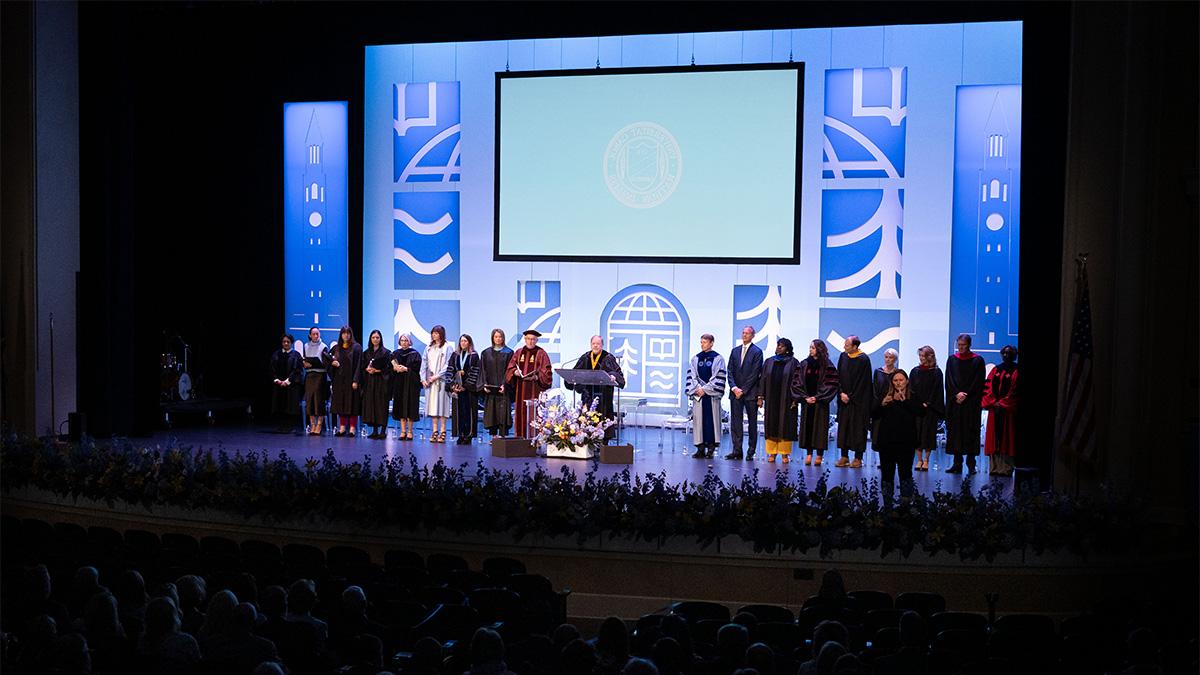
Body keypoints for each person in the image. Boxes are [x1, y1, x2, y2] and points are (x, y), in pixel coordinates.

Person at [873, 370, 927, 504]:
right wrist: (882, 404)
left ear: (907, 381)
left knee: (905, 473)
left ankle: (906, 503)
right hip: (887, 442)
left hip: (906, 442)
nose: (898, 383)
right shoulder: (886, 396)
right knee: (887, 474)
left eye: (901, 380)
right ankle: (887, 503)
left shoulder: (913, 396)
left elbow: (921, 412)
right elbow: (874, 414)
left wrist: (906, 402)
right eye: (895, 380)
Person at [565, 335, 626, 441]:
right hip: (587, 395)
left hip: (604, 397)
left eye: (598, 344)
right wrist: (571, 379)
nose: (595, 346)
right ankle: (587, 442)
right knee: (586, 418)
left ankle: (603, 443)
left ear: (602, 345)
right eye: (593, 343)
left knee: (603, 420)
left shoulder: (608, 357)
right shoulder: (585, 357)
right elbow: (576, 371)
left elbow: (618, 374)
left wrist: (613, 376)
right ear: (591, 344)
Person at [793, 340, 839, 466]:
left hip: (820, 403)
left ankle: (819, 455)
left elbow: (831, 384)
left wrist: (817, 397)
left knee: (819, 429)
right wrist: (805, 397)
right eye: (810, 347)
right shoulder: (804, 364)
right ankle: (809, 454)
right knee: (807, 428)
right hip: (807, 402)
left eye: (813, 347)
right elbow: (797, 382)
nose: (810, 349)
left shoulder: (827, 365)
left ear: (819, 349)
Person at [945, 333, 986, 473]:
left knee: (970, 432)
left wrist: (966, 394)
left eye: (963, 345)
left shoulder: (978, 361)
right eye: (959, 345)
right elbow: (949, 380)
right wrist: (957, 394)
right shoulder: (952, 360)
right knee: (956, 432)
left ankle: (971, 464)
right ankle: (957, 463)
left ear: (969, 345)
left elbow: (979, 382)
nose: (961, 348)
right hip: (956, 402)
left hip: (971, 404)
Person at [757, 338, 800, 464]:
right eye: (778, 345)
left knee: (785, 426)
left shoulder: (794, 363)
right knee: (771, 424)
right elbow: (763, 379)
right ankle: (772, 452)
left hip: (787, 400)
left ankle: (784, 454)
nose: (778, 348)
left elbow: (797, 382)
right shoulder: (769, 361)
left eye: (782, 346)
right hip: (771, 399)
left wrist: (795, 398)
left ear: (787, 348)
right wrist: (760, 397)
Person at [506, 329, 552, 438]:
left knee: (534, 414)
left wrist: (537, 376)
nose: (530, 341)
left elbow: (547, 371)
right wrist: (514, 372)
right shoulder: (518, 352)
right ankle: (520, 438)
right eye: (528, 339)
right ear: (525, 339)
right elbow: (510, 367)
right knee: (521, 413)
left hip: (535, 389)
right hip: (521, 388)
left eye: (533, 339)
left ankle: (536, 439)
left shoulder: (541, 353)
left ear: (536, 340)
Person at [686, 334, 726, 459]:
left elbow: (718, 377)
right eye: (701, 342)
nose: (702, 344)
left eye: (704, 342)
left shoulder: (718, 358)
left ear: (711, 343)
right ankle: (700, 448)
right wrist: (697, 389)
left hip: (711, 396)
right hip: (699, 396)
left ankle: (711, 448)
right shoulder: (695, 359)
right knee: (698, 422)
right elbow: (692, 376)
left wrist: (705, 389)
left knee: (711, 422)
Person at [726, 326, 764, 460]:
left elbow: (755, 373)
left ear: (753, 335)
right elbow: (729, 371)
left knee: (752, 423)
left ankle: (750, 451)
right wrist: (734, 388)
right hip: (735, 392)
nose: (744, 335)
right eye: (743, 332)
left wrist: (743, 390)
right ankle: (737, 450)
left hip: (750, 393)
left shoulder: (757, 352)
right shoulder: (735, 351)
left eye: (747, 333)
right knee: (736, 423)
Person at [982, 345, 1020, 477]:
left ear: (1014, 355)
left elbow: (1015, 391)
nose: (1006, 356)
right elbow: (988, 388)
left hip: (1007, 412)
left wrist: (1003, 403)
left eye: (1009, 353)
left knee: (1006, 439)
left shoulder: (1017, 371)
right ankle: (994, 467)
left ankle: (1006, 468)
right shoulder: (996, 370)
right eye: (1004, 353)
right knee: (994, 439)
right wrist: (993, 402)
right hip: (995, 410)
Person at [835, 336, 872, 468]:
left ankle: (858, 458)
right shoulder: (843, 357)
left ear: (855, 347)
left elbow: (864, 382)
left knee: (857, 430)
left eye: (847, 345)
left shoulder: (863, 359)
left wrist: (850, 396)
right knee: (844, 429)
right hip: (844, 400)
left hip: (858, 402)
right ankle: (844, 457)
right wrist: (841, 393)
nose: (844, 347)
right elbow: (838, 376)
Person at [909, 346, 945, 472]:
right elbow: (912, 389)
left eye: (924, 356)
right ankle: (918, 460)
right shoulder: (915, 371)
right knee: (917, 434)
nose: (921, 358)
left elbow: (937, 391)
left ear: (930, 356)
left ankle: (926, 460)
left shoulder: (936, 372)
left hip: (930, 409)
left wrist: (928, 403)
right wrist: (918, 404)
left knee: (928, 435)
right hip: (917, 409)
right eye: (920, 356)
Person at [445, 333, 481, 445]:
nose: (463, 343)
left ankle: (468, 435)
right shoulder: (455, 355)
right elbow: (449, 370)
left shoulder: (474, 356)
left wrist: (465, 386)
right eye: (461, 341)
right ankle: (460, 434)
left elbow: (475, 372)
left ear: (469, 342)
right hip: (457, 390)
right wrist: (452, 385)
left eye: (465, 341)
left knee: (469, 412)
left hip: (469, 390)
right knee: (458, 412)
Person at [480, 329, 514, 438]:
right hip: (490, 389)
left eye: (500, 337)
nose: (498, 339)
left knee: (503, 412)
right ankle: (493, 436)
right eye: (496, 337)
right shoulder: (486, 353)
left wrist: (505, 384)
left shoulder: (509, 352)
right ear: (492, 338)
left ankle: (502, 436)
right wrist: (484, 384)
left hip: (503, 389)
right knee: (492, 413)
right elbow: (483, 370)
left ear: (503, 338)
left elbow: (510, 371)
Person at [329, 325, 363, 437]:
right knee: (341, 404)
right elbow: (328, 359)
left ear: (351, 334)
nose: (346, 335)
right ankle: (342, 428)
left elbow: (359, 365)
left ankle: (352, 428)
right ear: (341, 335)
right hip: (339, 380)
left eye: (348, 333)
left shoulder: (356, 347)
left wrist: (356, 380)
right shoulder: (336, 348)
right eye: (344, 333)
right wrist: (332, 363)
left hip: (351, 380)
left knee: (352, 404)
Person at [422, 325, 452, 443]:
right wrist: (423, 378)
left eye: (437, 333)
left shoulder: (447, 347)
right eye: (433, 333)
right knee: (433, 407)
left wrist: (437, 376)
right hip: (430, 381)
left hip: (441, 380)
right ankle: (434, 431)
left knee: (442, 406)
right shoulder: (428, 348)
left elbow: (448, 364)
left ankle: (443, 431)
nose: (434, 335)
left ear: (441, 334)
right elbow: (423, 364)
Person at [360, 329, 391, 439]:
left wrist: (377, 371)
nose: (375, 339)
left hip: (381, 382)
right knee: (372, 405)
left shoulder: (386, 353)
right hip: (370, 382)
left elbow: (389, 369)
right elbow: (362, 367)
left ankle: (383, 430)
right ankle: (374, 430)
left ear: (381, 339)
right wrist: (367, 369)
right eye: (373, 337)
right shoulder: (366, 353)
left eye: (377, 337)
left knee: (381, 406)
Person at [390, 333, 422, 441]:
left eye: (406, 340)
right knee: (400, 407)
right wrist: (395, 369)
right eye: (402, 340)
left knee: (410, 406)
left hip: (411, 384)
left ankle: (410, 431)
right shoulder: (395, 354)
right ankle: (403, 431)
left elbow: (418, 370)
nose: (404, 342)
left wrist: (406, 369)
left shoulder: (415, 354)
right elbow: (390, 369)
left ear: (410, 342)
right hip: (399, 383)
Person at [299, 327, 330, 435]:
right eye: (314, 334)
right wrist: (304, 364)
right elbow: (304, 360)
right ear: (310, 335)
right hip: (309, 375)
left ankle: (319, 425)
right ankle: (312, 424)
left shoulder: (324, 347)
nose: (316, 336)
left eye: (317, 334)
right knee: (310, 400)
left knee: (319, 400)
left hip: (320, 375)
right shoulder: (306, 346)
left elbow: (327, 364)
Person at [269, 334, 303, 433]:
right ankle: (281, 426)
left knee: (290, 406)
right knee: (280, 405)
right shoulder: (276, 354)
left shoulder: (296, 355)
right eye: (284, 341)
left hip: (291, 386)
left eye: (288, 342)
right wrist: (277, 380)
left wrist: (288, 381)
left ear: (291, 343)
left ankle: (290, 426)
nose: (286, 343)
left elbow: (297, 370)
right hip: (278, 385)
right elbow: (272, 369)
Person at [871, 348, 899, 449]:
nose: (887, 359)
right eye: (886, 357)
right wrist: (880, 402)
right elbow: (874, 389)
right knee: (878, 432)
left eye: (890, 358)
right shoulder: (878, 372)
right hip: (879, 406)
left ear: (895, 359)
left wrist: (891, 398)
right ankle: (879, 459)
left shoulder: (898, 373)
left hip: (893, 406)